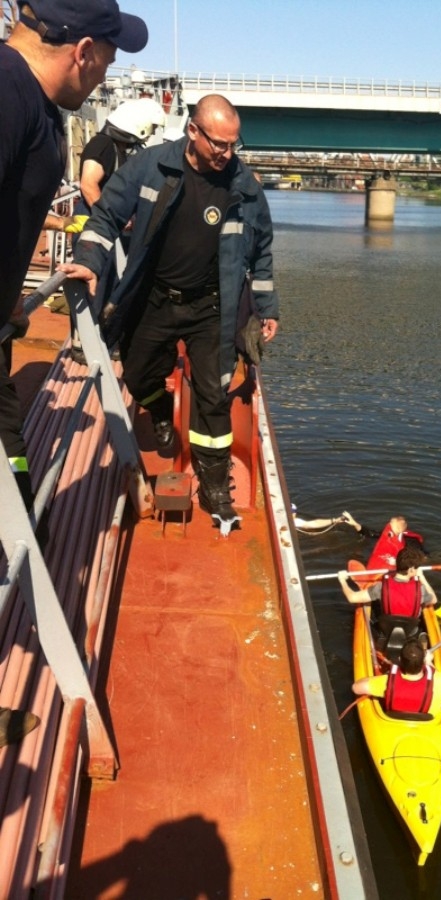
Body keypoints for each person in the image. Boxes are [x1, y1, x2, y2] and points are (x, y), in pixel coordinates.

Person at [0, 0, 148, 748]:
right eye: (109, 63)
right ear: (83, 50)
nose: (104, 80)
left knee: (16, 499)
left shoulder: (30, 104)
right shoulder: (6, 94)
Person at [62, 94, 280, 535]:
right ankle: (160, 410)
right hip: (155, 298)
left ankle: (216, 488)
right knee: (140, 373)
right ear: (193, 132)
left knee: (213, 394)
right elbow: (105, 216)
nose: (226, 153)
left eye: (233, 144)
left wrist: (268, 309)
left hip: (210, 307)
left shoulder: (244, 184)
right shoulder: (152, 166)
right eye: (218, 143)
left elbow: (262, 251)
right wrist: (88, 257)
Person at [68, 97, 166, 362]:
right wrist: (113, 215)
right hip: (92, 222)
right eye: (152, 128)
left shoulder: (121, 151)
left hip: (107, 225)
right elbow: (88, 184)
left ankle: (100, 338)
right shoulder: (102, 145)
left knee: (109, 281)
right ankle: (82, 344)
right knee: (93, 284)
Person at [338, 544, 437, 643]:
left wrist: (342, 580)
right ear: (411, 569)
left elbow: (352, 598)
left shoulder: (380, 587)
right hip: (411, 632)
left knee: (375, 604)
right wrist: (422, 577)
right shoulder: (421, 590)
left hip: (385, 630)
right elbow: (434, 599)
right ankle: (421, 637)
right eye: (417, 568)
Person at [351, 639, 441, 719]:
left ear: (400, 659)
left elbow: (356, 688)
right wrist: (429, 662)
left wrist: (375, 678)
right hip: (426, 724)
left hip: (392, 722)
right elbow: (434, 673)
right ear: (423, 662)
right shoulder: (440, 680)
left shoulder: (387, 682)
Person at [342, 512, 426, 564]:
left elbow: (422, 558)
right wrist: (354, 523)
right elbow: (370, 533)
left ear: (399, 530)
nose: (388, 527)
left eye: (391, 526)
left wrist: (397, 562)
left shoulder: (412, 542)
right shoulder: (387, 534)